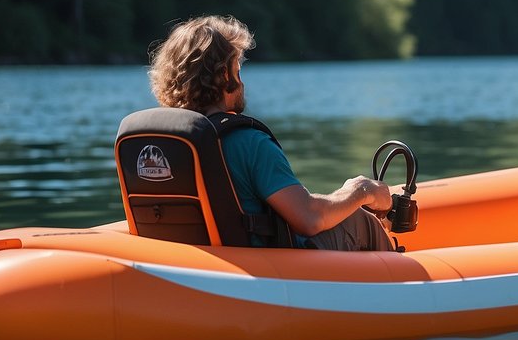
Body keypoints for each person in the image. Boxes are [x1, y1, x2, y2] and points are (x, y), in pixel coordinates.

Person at [147, 15, 395, 252]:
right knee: (361, 221)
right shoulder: (248, 142)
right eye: (238, 70)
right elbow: (309, 218)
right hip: (267, 268)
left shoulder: (163, 144)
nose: (242, 83)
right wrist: (362, 190)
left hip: (189, 263)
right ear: (224, 75)